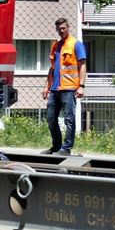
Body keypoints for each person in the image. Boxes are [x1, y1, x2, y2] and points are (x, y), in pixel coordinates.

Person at [42, 17, 87, 156]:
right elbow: (52, 68)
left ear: (68, 27)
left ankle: (66, 148)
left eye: (64, 28)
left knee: (69, 119)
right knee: (50, 117)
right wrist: (46, 86)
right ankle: (56, 146)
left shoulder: (76, 44)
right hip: (55, 89)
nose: (62, 31)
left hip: (69, 88)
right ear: (56, 29)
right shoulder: (55, 46)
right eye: (59, 29)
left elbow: (83, 65)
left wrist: (81, 86)